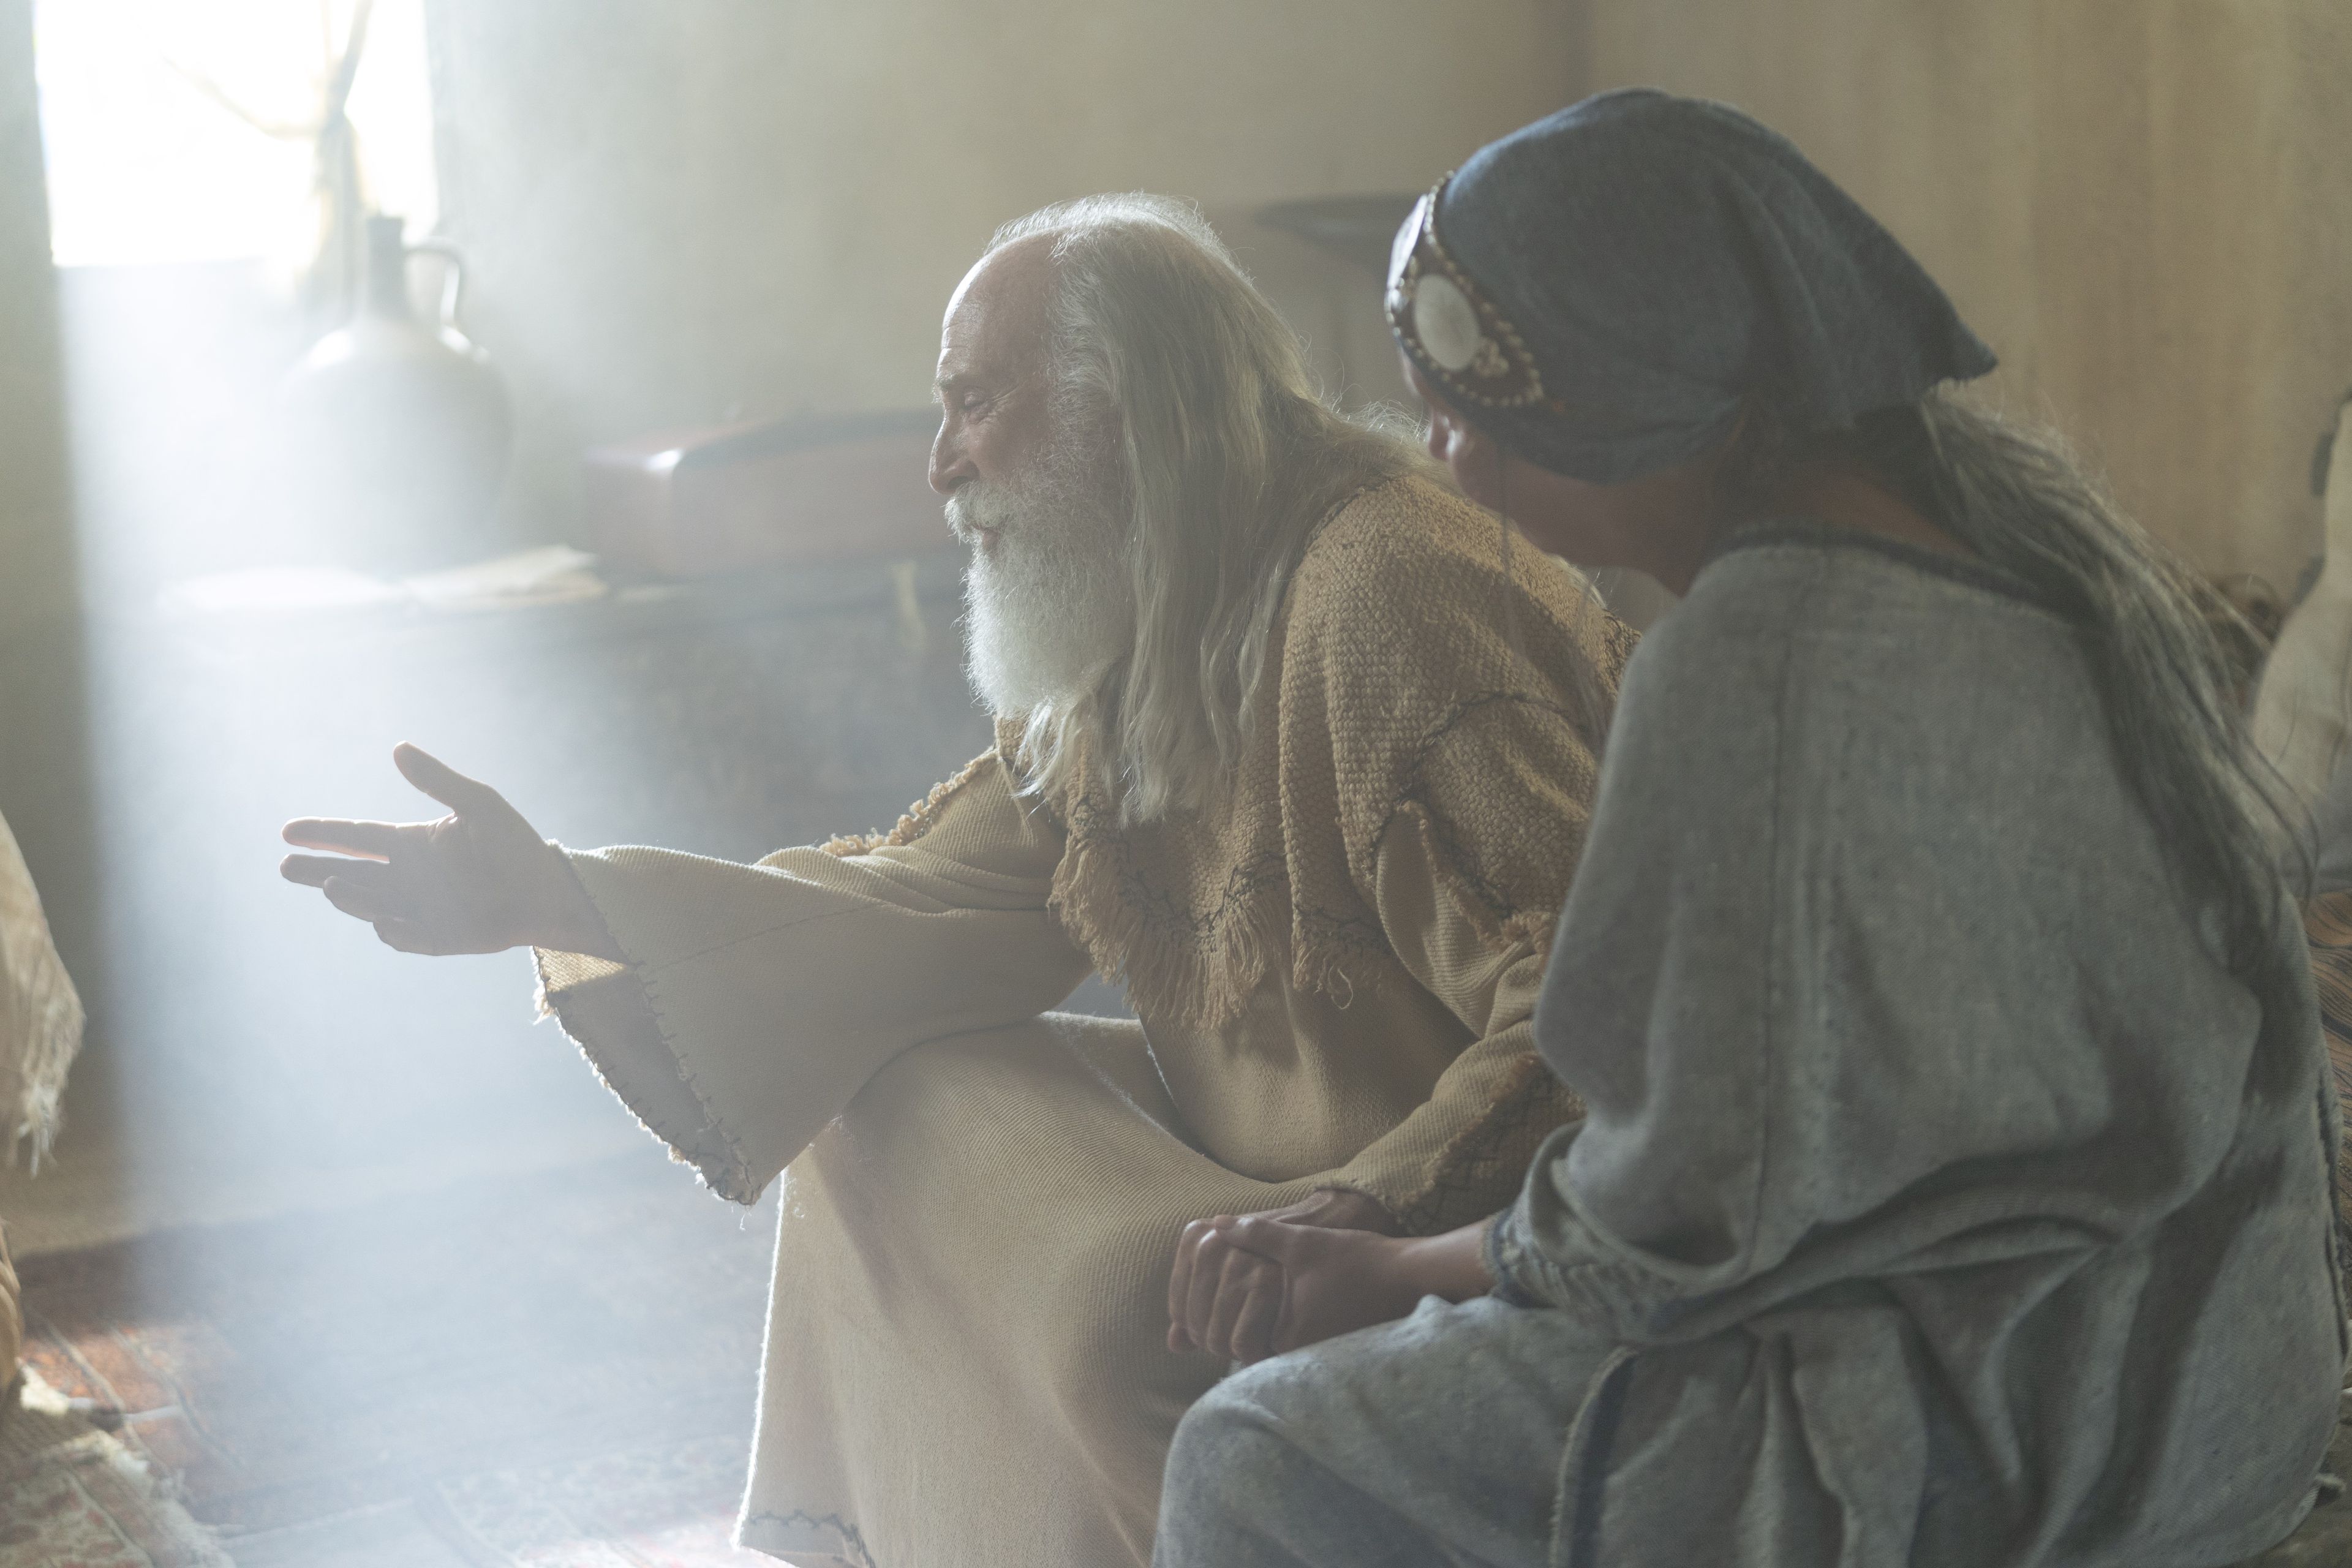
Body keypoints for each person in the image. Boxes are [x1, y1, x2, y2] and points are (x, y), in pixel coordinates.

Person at [279, 195, 1631, 1566]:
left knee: (1119, 1320)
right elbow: (924, 901)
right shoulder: (1161, 600)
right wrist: (555, 896)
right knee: (866, 1074)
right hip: (1274, 1184)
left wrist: (1359, 1217)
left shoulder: (1385, 587)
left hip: (1486, 1241)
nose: (940, 465)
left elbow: (1605, 1019)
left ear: (1132, 407)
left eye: (976, 403)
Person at [1157, 90, 2346, 1568]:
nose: (1440, 440)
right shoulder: (2050, 566)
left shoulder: (1757, 661)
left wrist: (1390, 1267)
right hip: (2228, 1384)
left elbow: (1675, 1229)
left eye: (1464, 395)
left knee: (1252, 1451)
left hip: (2024, 1439)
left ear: (1620, 380)